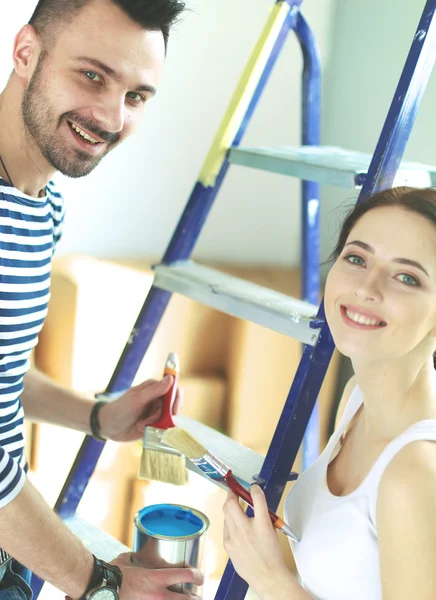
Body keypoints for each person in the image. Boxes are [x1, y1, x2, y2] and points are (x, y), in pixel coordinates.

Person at [0, 0, 204, 598]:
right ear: (25, 51)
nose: (110, 116)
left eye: (137, 96)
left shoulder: (42, 203)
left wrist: (97, 418)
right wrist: (102, 582)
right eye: (92, 75)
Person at [223, 186, 436, 600]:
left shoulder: (415, 472)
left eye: (406, 277)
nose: (367, 288)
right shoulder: (358, 398)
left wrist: (269, 578)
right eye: (356, 258)